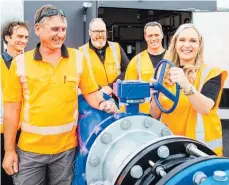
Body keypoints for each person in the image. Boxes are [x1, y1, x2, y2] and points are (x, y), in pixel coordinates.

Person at [2, 4, 117, 185]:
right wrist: (9, 151)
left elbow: (91, 94)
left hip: (66, 152)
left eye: (63, 29)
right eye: (55, 29)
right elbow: (11, 112)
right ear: (38, 29)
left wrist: (104, 103)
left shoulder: (78, 58)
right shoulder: (20, 64)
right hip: (30, 152)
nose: (61, 34)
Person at [150, 23, 228, 156]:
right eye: (182, 40)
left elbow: (205, 107)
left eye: (193, 41)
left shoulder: (210, 73)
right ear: (175, 44)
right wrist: (156, 93)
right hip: (171, 148)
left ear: (199, 46)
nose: (187, 45)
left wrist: (185, 84)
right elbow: (154, 114)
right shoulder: (164, 73)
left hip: (200, 151)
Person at [1, 21, 29, 185]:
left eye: (26, 37)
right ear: (7, 38)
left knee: (22, 173)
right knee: (5, 174)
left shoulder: (29, 65)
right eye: (19, 36)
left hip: (23, 130)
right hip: (1, 130)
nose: (24, 41)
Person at [79, 18, 129, 98]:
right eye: (96, 31)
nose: (100, 34)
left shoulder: (116, 47)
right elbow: (80, 78)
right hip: (94, 98)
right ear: (90, 32)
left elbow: (128, 69)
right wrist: (100, 90)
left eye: (102, 31)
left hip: (117, 97)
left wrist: (111, 87)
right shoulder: (81, 52)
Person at [125, 22, 169, 114]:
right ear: (145, 37)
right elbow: (127, 92)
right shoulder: (136, 60)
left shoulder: (173, 58)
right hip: (144, 115)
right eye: (150, 35)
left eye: (156, 35)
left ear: (162, 35)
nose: (153, 38)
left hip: (169, 113)